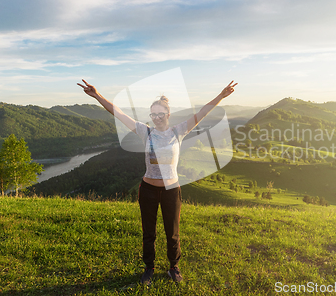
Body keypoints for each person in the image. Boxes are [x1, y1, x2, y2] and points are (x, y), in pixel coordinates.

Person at [77, 79, 237, 284]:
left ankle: (173, 267)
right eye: (153, 114)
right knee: (149, 233)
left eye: (161, 114)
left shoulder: (178, 131)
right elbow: (118, 112)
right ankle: (149, 268)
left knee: (173, 233)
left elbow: (202, 113)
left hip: (171, 190)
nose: (157, 118)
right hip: (148, 190)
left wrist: (221, 96)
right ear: (151, 116)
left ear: (168, 115)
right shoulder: (146, 131)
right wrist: (97, 95)